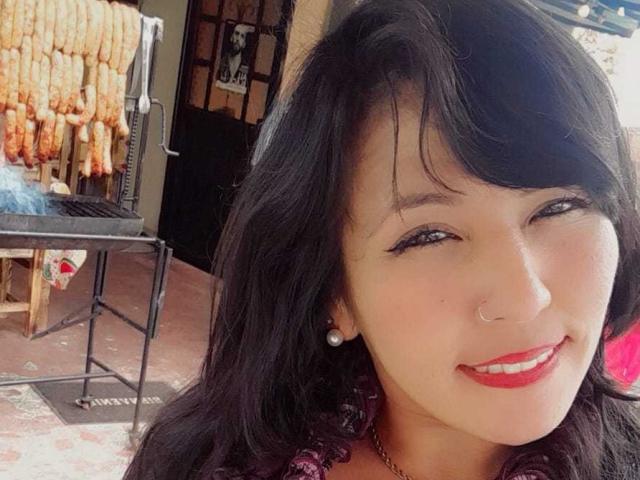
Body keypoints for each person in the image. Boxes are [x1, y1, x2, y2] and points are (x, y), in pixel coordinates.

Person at [124, 0, 640, 478]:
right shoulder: (199, 465)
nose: (524, 298)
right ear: (335, 292)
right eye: (430, 235)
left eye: (559, 207)